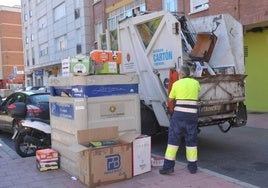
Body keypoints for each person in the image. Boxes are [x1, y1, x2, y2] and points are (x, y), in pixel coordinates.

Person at [159, 65, 200, 175]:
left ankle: (168, 167)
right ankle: (192, 167)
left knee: (173, 141)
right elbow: (197, 92)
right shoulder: (195, 83)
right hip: (192, 116)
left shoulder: (176, 84)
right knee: (191, 142)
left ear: (181, 74)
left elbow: (170, 98)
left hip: (179, 116)